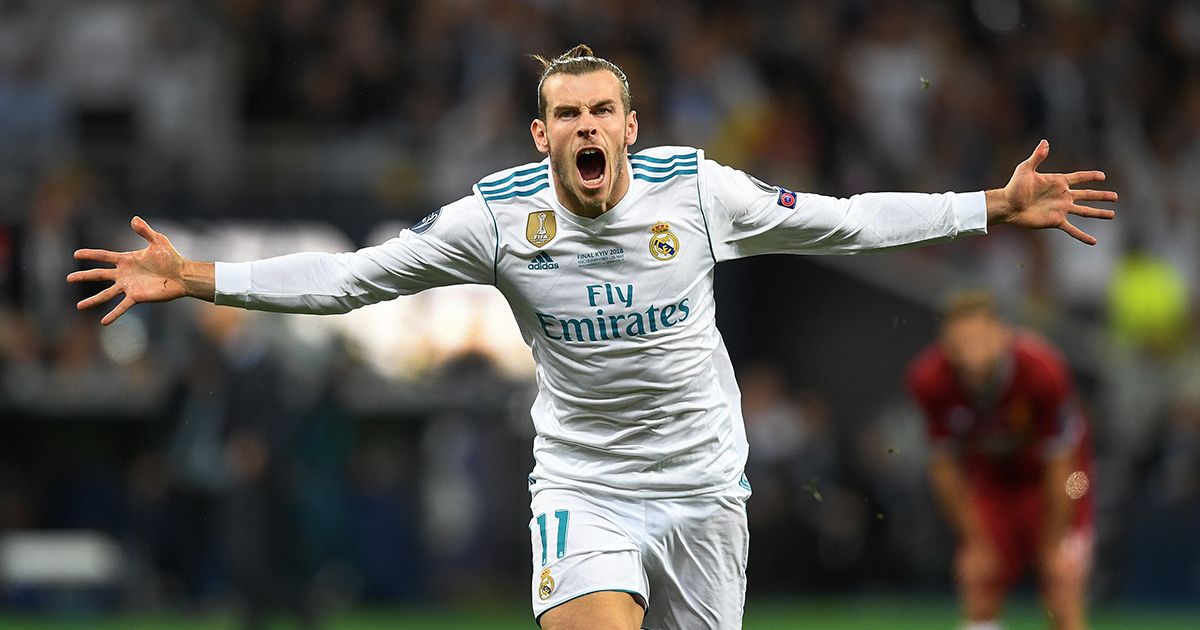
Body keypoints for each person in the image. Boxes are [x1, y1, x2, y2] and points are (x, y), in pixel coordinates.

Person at [69, 45, 1115, 630]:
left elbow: (844, 220)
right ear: (542, 135)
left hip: (706, 487)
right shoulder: (498, 219)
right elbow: (347, 282)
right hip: (585, 486)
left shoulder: (699, 191)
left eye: (600, 111)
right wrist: (195, 276)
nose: (583, 128)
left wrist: (988, 204)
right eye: (563, 114)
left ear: (629, 126)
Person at [906, 290, 1095, 630]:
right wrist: (974, 542)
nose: (970, 353)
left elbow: (1060, 462)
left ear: (1001, 335)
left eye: (978, 339)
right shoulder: (929, 380)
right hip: (993, 482)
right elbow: (944, 467)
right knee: (978, 580)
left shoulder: (1043, 370)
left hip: (1065, 481)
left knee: (1062, 587)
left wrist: (1053, 546)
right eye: (959, 343)